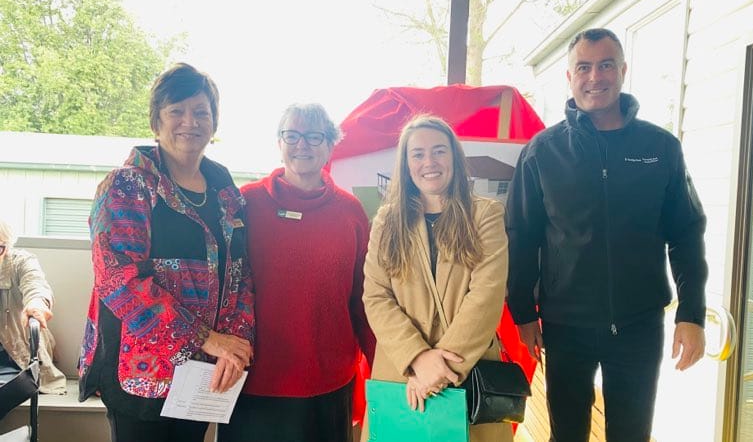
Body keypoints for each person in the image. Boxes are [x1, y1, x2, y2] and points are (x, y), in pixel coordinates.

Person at [506, 27, 708, 442]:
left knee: (632, 435)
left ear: (622, 71)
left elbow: (686, 233)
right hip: (566, 325)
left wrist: (692, 314)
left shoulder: (660, 147)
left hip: (639, 323)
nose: (594, 76)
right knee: (566, 434)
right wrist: (523, 311)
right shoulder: (542, 152)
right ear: (569, 76)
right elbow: (521, 235)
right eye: (584, 66)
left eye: (605, 65)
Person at [78, 63, 255, 442]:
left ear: (214, 122)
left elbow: (242, 276)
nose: (189, 121)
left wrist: (235, 348)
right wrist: (207, 339)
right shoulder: (128, 185)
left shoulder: (226, 191)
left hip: (206, 375)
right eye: (176, 111)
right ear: (156, 122)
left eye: (201, 112)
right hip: (141, 378)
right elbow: (118, 281)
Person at [219, 103, 375, 442]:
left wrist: (383, 366)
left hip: (328, 384)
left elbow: (364, 298)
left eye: (314, 136)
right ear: (279, 142)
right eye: (292, 135)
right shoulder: (245, 203)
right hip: (253, 383)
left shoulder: (350, 212)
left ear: (331, 145)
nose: (302, 145)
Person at [362, 115, 513, 442]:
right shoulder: (387, 220)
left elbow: (486, 297)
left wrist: (439, 370)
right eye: (417, 154)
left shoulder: (485, 214)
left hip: (466, 370)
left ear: (454, 158)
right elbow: (375, 296)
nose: (428, 162)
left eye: (439, 151)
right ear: (406, 164)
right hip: (403, 373)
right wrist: (417, 357)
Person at [0, 220, 67, 395]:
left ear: (7, 246)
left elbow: (35, 284)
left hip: (13, 357)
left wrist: (36, 303)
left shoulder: (20, 261)